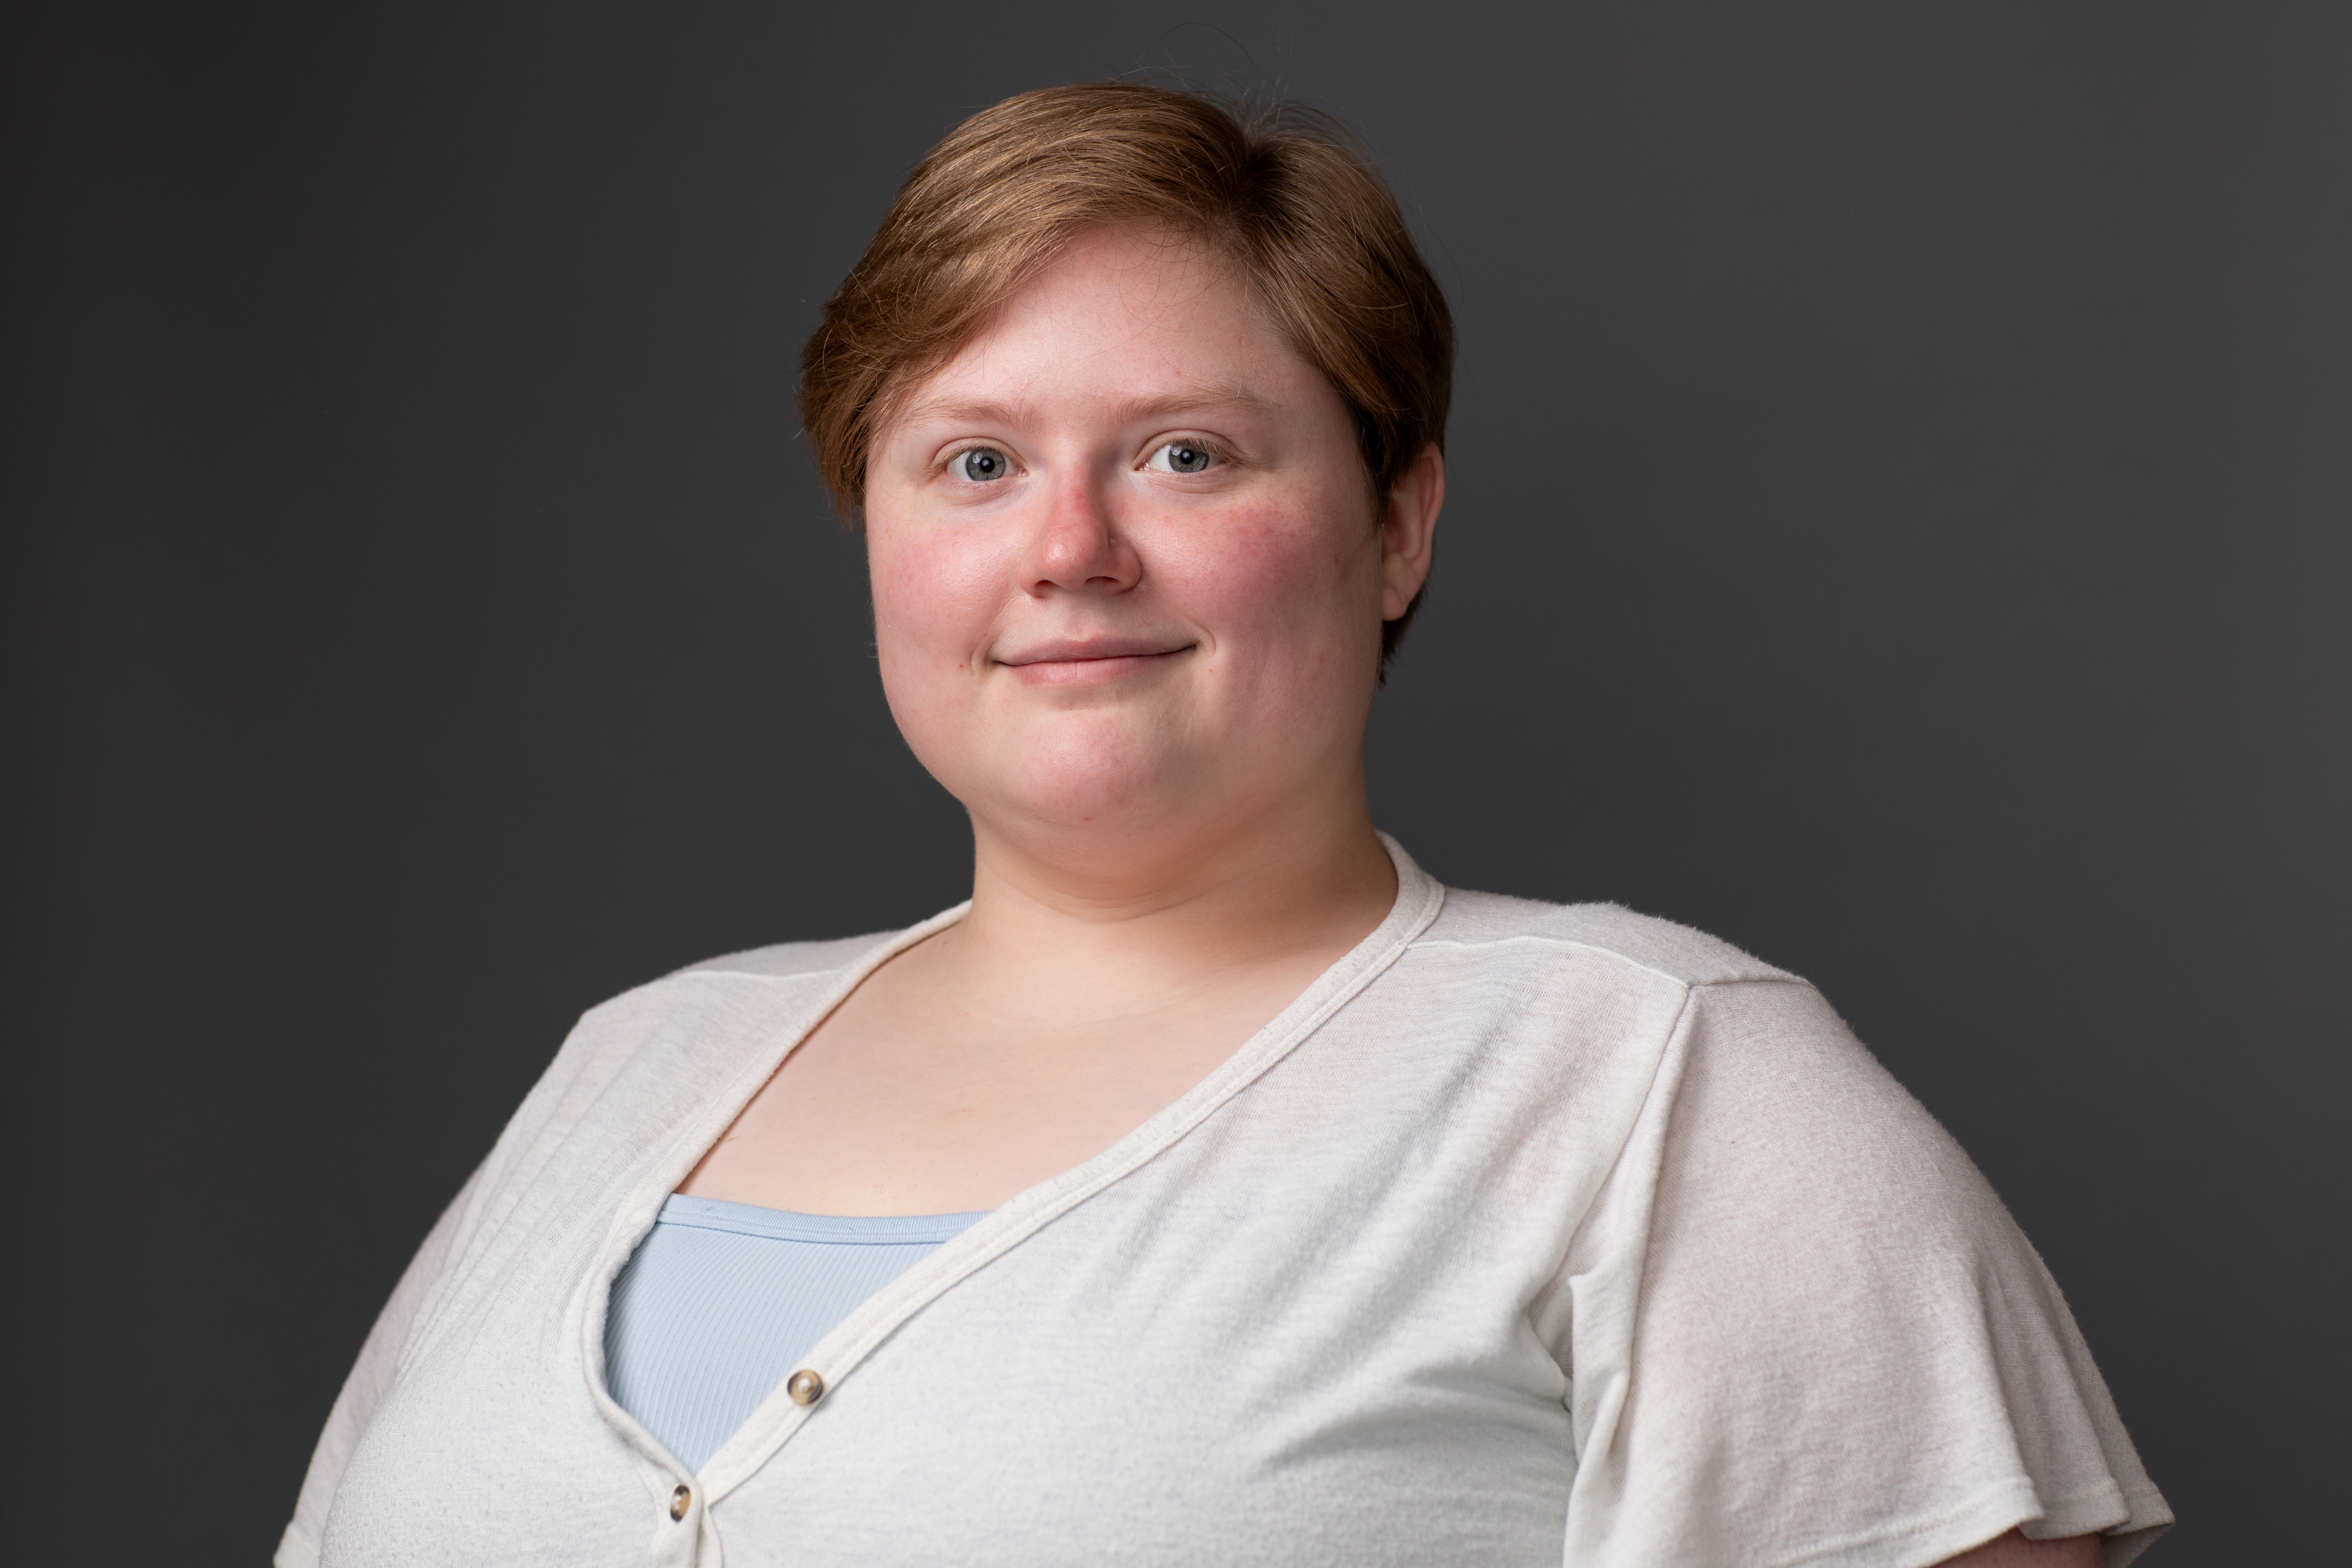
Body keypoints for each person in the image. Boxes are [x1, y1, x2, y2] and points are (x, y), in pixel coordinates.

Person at [277, 83, 2171, 1568]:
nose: (1070, 547)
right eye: (975, 461)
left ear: (1397, 524)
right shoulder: (631, 1062)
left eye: (1185, 453)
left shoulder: (1652, 1078)